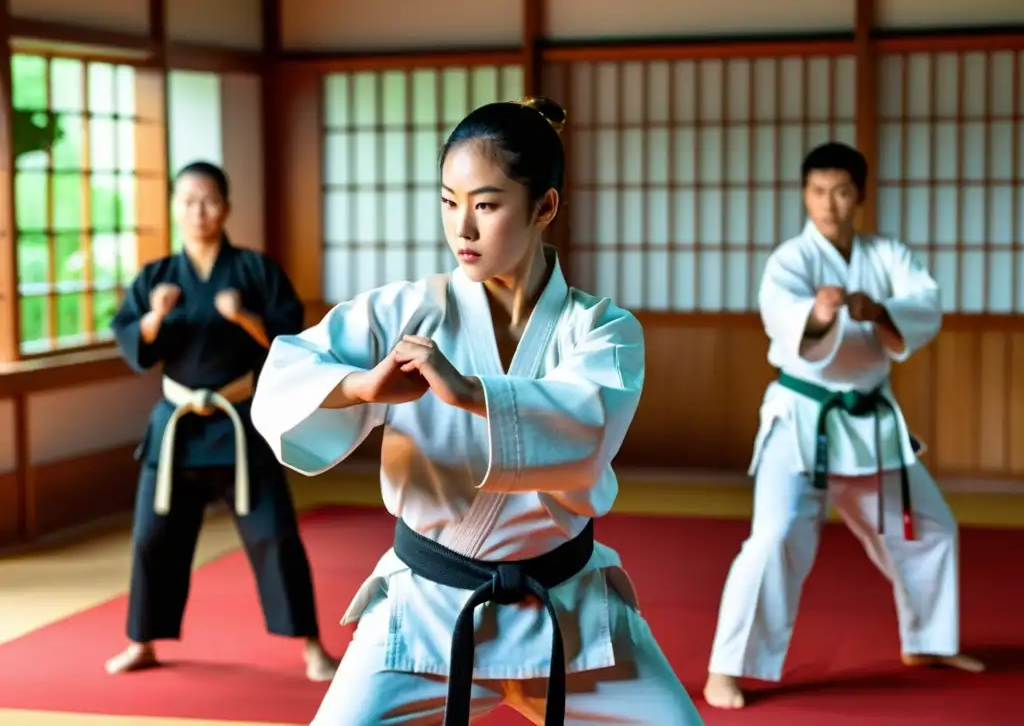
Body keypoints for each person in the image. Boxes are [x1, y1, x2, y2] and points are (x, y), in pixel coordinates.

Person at [251, 98, 703, 725]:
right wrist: (361, 387)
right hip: (428, 607)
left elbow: (589, 430)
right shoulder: (405, 311)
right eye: (448, 201)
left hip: (565, 611)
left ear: (544, 206)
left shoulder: (602, 329)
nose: (461, 228)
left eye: (485, 205)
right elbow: (287, 373)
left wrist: (469, 394)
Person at [702, 142, 985, 710]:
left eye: (840, 191)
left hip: (868, 421)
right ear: (804, 195)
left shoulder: (888, 254)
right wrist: (821, 313)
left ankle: (928, 642)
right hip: (800, 420)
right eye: (817, 191)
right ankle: (725, 669)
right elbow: (781, 318)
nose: (828, 204)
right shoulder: (790, 260)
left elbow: (925, 303)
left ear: (860, 195)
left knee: (930, 528)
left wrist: (878, 310)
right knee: (774, 536)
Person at [105, 161, 338, 682]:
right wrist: (155, 317)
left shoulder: (254, 272)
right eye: (187, 200)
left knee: (275, 535)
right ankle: (142, 641)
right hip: (177, 428)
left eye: (208, 200)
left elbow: (292, 341)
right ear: (174, 206)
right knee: (152, 537)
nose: (198, 211)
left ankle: (312, 646)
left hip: (240, 422)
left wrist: (245, 318)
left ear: (227, 208)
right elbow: (132, 343)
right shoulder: (157, 277)